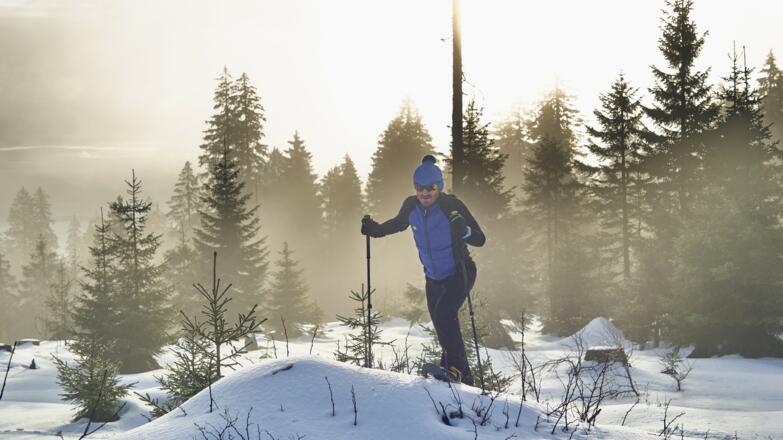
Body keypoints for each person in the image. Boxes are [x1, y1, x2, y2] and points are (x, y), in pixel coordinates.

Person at [361, 154, 485, 385]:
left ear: (439, 186)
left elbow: (480, 239)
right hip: (433, 278)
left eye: (431, 188)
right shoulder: (411, 206)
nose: (425, 193)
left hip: (460, 272)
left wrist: (464, 230)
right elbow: (397, 224)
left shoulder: (452, 205)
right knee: (441, 324)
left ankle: (454, 369)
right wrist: (374, 230)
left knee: (445, 315)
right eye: (420, 188)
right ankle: (462, 377)